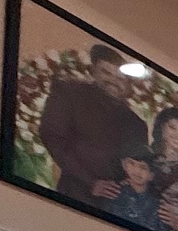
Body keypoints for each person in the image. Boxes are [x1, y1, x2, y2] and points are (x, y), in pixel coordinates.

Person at [37, 43, 146, 203]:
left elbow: (139, 166)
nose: (113, 81)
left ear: (129, 84)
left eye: (121, 78)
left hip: (118, 209)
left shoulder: (137, 124)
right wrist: (90, 182)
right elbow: (52, 137)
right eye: (106, 72)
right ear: (94, 70)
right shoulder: (71, 94)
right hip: (74, 197)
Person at [102, 144, 163, 231]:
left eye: (143, 167)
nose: (137, 171)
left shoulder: (157, 205)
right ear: (124, 164)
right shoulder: (113, 193)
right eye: (132, 163)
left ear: (151, 175)